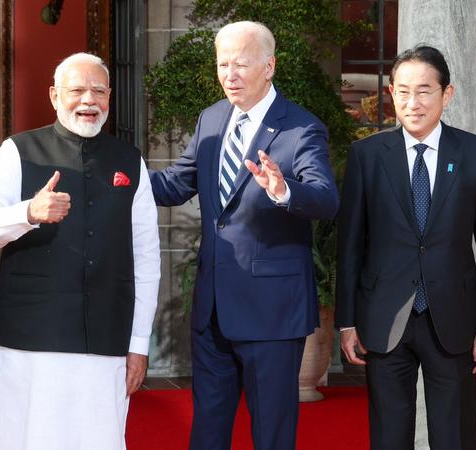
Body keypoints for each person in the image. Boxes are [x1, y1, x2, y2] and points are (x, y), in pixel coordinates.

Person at [150, 21, 339, 450]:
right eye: (222, 64)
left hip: (271, 313)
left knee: (272, 434)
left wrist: (284, 190)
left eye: (240, 64)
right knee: (208, 432)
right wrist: (119, 178)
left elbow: (326, 199)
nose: (229, 75)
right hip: (213, 308)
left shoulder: (301, 128)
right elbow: (177, 183)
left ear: (269, 66)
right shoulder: (212, 119)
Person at [0, 52, 160, 450]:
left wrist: (139, 344)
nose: (88, 100)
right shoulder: (18, 150)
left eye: (98, 91)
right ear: (55, 96)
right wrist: (29, 212)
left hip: (106, 338)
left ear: (109, 96)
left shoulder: (130, 161)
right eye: (77, 90)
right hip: (29, 339)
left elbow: (146, 257)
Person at [336, 45, 476, 450]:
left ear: (447, 94)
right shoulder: (367, 155)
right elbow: (351, 246)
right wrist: (347, 322)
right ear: (391, 93)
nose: (414, 103)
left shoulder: (475, 154)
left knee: (455, 435)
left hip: (454, 320)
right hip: (384, 319)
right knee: (389, 436)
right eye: (405, 91)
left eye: (425, 91)